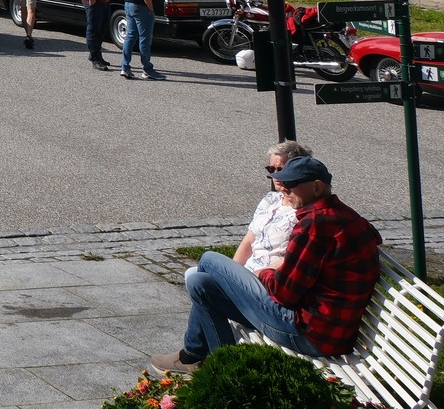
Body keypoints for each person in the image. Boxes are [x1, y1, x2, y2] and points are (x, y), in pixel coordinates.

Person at [154, 155, 380, 375]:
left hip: (307, 334)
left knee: (208, 260)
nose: (283, 188)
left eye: (291, 185)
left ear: (317, 187)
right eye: (282, 182)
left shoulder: (314, 226)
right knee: (199, 282)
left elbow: (284, 294)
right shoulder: (347, 216)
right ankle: (225, 368)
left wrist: (264, 273)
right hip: (329, 331)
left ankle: (205, 361)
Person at [228, 140, 314, 274]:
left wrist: (255, 276)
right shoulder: (271, 199)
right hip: (246, 272)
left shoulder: (303, 210)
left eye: (281, 169)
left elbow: (291, 259)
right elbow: (249, 239)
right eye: (271, 169)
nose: (275, 175)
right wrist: (233, 271)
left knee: (206, 264)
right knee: (195, 274)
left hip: (266, 278)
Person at [118, 0, 164, 81]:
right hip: (141, 7)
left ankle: (125, 67)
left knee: (130, 36)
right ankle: (147, 69)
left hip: (128, 5)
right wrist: (151, 9)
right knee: (145, 38)